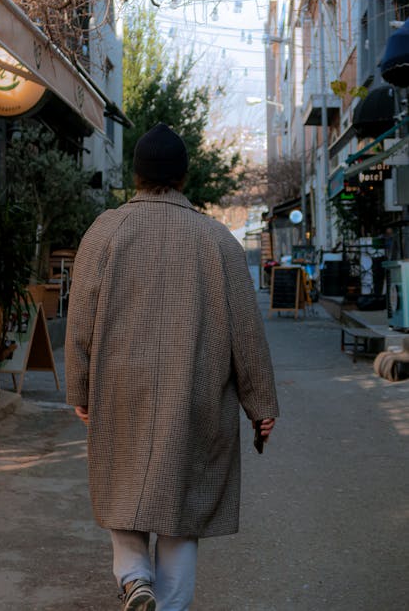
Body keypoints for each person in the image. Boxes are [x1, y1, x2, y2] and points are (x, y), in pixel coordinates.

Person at [65, 122, 279, 611]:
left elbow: (79, 321)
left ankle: (135, 578)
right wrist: (260, 403)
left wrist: (80, 388)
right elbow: (247, 332)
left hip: (120, 388)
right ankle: (169, 605)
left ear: (136, 175)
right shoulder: (217, 239)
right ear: (184, 176)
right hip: (195, 396)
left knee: (123, 489)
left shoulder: (105, 232)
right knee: (184, 511)